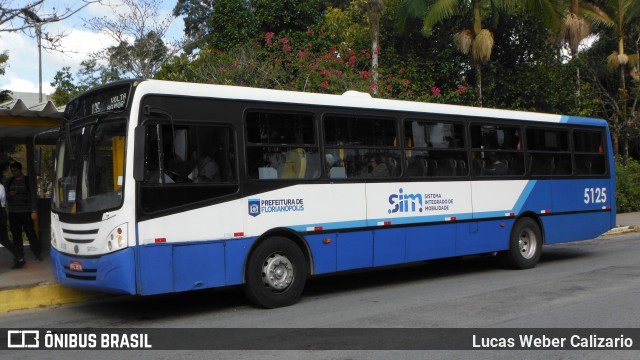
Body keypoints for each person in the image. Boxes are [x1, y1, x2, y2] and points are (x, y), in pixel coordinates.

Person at [6, 162, 41, 264]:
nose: (14, 173)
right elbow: (4, 197)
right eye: (12, 171)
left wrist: (34, 210)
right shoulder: (9, 181)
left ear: (20, 170)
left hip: (26, 212)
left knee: (30, 233)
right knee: (16, 235)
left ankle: (37, 253)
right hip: (13, 212)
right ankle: (19, 255)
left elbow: (34, 196)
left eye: (15, 170)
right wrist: (10, 194)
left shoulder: (27, 181)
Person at [0, 181, 23, 269]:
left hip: (0, 214)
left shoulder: (0, 187)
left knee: (4, 240)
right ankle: (19, 257)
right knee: (4, 240)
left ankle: (20, 258)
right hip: (1, 214)